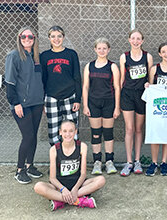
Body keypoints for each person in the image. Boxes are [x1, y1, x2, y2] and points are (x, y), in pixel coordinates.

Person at [34, 120, 105, 211]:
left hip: (78, 185)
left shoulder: (82, 146)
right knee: (38, 187)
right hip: (59, 186)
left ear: (75, 131)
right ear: (60, 132)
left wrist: (75, 189)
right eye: (65, 131)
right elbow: (52, 178)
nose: (68, 134)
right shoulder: (54, 149)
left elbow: (83, 174)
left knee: (101, 180)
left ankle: (60, 200)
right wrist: (63, 189)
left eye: (71, 131)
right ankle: (78, 200)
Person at [5, 26, 44, 184]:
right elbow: (9, 82)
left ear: (35, 39)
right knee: (27, 136)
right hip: (22, 104)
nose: (27, 39)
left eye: (30, 37)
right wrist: (15, 103)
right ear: (19, 38)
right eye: (23, 37)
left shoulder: (37, 57)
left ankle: (30, 166)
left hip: (37, 103)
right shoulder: (14, 56)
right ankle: (19, 169)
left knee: (33, 136)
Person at [82, 38, 121, 175]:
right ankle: (97, 162)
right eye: (99, 48)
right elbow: (86, 86)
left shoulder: (112, 66)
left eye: (104, 48)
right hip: (93, 103)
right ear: (95, 49)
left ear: (109, 50)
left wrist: (117, 107)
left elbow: (117, 87)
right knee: (96, 133)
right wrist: (85, 105)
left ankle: (109, 161)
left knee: (108, 133)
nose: (102, 51)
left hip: (109, 103)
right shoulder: (89, 66)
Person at [144, 42, 167, 176]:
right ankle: (154, 162)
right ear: (160, 54)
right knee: (155, 134)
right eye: (163, 52)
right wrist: (148, 86)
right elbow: (150, 87)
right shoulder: (154, 69)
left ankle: (164, 162)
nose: (166, 54)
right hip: (156, 108)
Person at [40, 26, 82, 146]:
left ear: (63, 37)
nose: (56, 39)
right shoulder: (45, 56)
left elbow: (77, 78)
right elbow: (43, 79)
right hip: (51, 96)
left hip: (70, 96)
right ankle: (58, 158)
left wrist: (78, 99)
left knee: (71, 128)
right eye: (53, 36)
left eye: (59, 36)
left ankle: (73, 157)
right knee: (53, 129)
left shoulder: (71, 54)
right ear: (49, 38)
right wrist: (43, 100)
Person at [119, 29, 153, 176]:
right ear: (129, 40)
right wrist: (119, 99)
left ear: (142, 41)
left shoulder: (148, 57)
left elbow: (150, 78)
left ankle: (138, 160)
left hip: (142, 95)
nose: (136, 41)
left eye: (138, 39)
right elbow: (121, 79)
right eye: (133, 38)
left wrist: (149, 85)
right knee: (129, 128)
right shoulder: (124, 57)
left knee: (139, 129)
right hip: (127, 94)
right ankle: (128, 162)